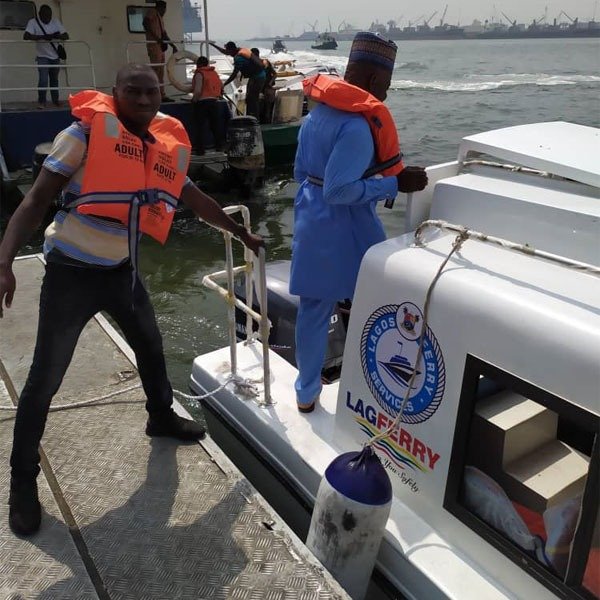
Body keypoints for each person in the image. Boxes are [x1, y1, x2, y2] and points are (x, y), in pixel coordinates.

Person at [0, 64, 264, 536]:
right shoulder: (81, 136)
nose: (144, 100)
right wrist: (4, 262)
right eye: (133, 92)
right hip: (72, 276)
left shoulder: (159, 148)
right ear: (115, 94)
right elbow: (34, 201)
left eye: (151, 92)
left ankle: (160, 417)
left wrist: (239, 231)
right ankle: (22, 482)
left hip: (122, 271)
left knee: (151, 346)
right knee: (44, 380)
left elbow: (195, 197)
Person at [290, 32, 428, 413]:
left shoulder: (315, 114)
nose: (386, 93)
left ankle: (306, 393)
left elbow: (301, 171)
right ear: (371, 82)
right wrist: (394, 183)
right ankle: (377, 382)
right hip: (347, 224)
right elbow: (339, 191)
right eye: (385, 85)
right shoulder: (356, 128)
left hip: (309, 216)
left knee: (314, 308)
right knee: (380, 297)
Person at [23, 4, 69, 109]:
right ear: (39, 15)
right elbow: (26, 36)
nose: (48, 19)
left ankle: (55, 101)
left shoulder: (55, 21)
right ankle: (42, 102)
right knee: (43, 80)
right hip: (42, 56)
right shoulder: (33, 22)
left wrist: (56, 35)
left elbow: (66, 36)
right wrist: (43, 37)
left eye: (49, 16)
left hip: (55, 56)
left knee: (54, 80)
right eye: (45, 16)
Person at [209, 41, 265, 119]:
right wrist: (213, 45)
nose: (227, 53)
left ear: (231, 50)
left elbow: (234, 74)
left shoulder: (238, 58)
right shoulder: (238, 50)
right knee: (249, 98)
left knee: (252, 99)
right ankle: (251, 117)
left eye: (228, 51)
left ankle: (254, 120)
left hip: (258, 78)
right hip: (256, 76)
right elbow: (224, 51)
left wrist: (224, 84)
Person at [143, 0, 177, 102]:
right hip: (154, 46)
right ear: (160, 7)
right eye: (164, 9)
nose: (165, 11)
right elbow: (145, 23)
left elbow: (164, 35)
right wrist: (156, 38)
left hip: (160, 47)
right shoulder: (152, 13)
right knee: (156, 70)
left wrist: (173, 46)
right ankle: (153, 94)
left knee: (160, 71)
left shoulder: (160, 19)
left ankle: (162, 95)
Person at [191, 56, 225, 154]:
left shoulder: (199, 73)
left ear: (199, 64)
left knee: (200, 127)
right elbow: (221, 86)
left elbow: (197, 90)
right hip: (214, 102)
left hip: (202, 103)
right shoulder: (214, 73)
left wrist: (194, 100)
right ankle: (219, 146)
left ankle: (200, 150)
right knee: (215, 126)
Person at [251, 48, 276, 124]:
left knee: (267, 108)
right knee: (259, 108)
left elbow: (275, 74)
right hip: (259, 89)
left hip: (266, 88)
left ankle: (267, 123)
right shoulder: (253, 64)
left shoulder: (265, 62)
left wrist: (270, 82)